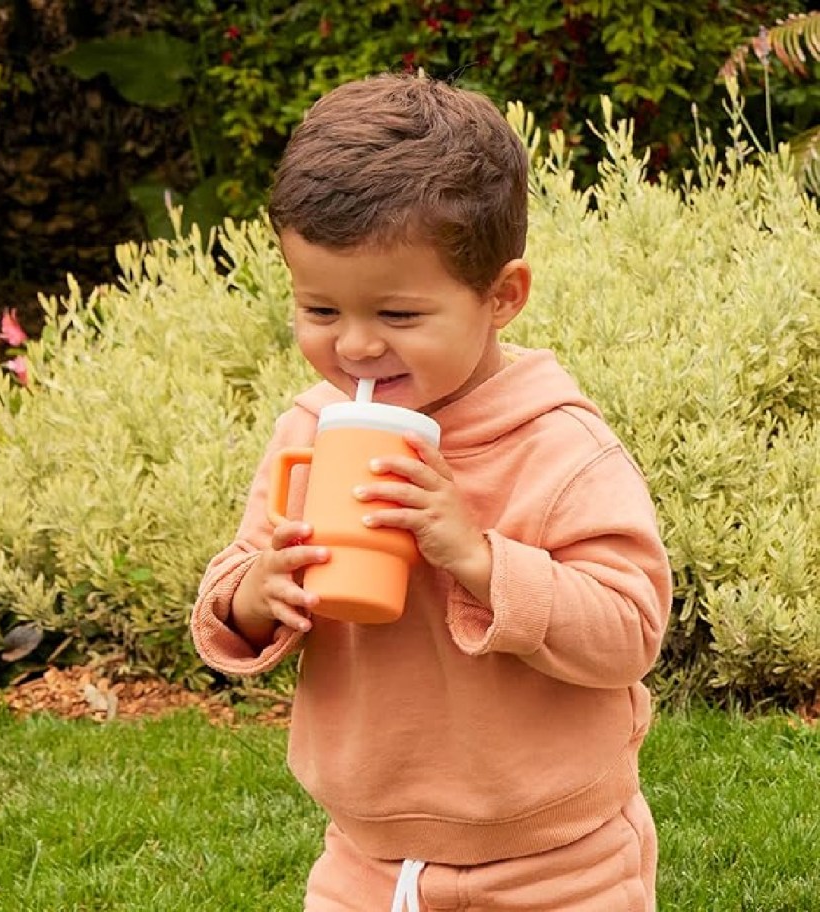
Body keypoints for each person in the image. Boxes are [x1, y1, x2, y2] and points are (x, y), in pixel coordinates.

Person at [191, 73, 672, 912]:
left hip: (557, 861)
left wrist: (480, 560)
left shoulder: (559, 447)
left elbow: (630, 629)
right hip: (364, 861)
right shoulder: (312, 428)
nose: (355, 345)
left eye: (401, 316)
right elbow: (235, 577)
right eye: (318, 308)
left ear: (502, 297)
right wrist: (256, 593)